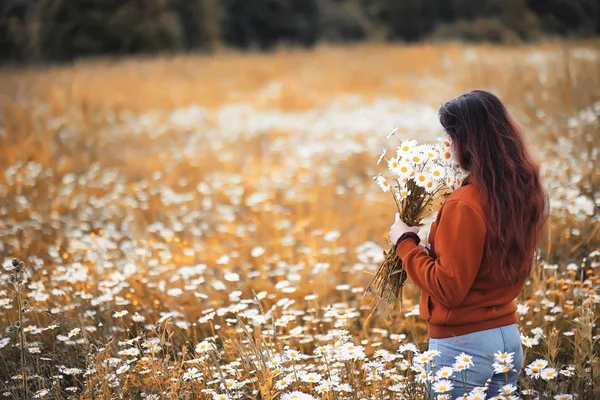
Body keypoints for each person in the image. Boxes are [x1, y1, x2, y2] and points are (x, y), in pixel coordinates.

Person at [389, 90, 549, 398]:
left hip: (464, 347)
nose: (449, 148)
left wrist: (405, 243)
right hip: (508, 340)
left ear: (469, 143)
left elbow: (449, 287)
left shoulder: (466, 203)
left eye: (451, 138)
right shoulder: (519, 192)